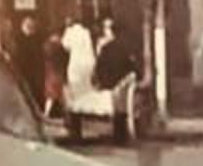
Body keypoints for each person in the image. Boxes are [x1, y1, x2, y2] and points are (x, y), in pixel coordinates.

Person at [95, 15, 142, 144]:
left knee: (118, 107)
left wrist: (102, 83)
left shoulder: (106, 48)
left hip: (110, 84)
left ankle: (118, 135)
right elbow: (132, 67)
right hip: (123, 84)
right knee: (124, 107)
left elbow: (99, 68)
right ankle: (123, 134)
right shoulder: (126, 48)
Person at [59, 11, 99, 143]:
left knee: (74, 96)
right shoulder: (86, 32)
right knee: (85, 93)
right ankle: (85, 118)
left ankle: (76, 128)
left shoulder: (70, 32)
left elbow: (65, 46)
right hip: (88, 64)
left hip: (76, 65)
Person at [8, 10, 52, 115]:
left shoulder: (38, 37)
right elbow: (15, 55)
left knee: (37, 92)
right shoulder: (18, 38)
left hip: (36, 71)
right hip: (24, 71)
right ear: (24, 25)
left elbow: (41, 53)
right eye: (29, 24)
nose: (31, 26)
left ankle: (38, 111)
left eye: (32, 24)